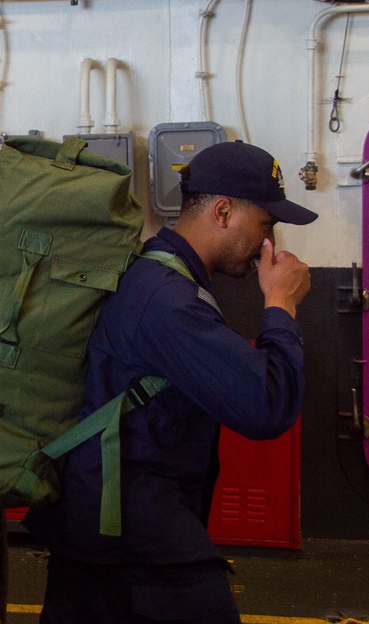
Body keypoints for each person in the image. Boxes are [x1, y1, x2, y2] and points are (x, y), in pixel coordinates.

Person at [23, 140, 317, 623]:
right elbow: (266, 406)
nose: (272, 243)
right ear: (223, 212)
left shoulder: (162, 277)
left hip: (107, 525)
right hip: (131, 533)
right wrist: (280, 305)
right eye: (267, 224)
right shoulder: (166, 299)